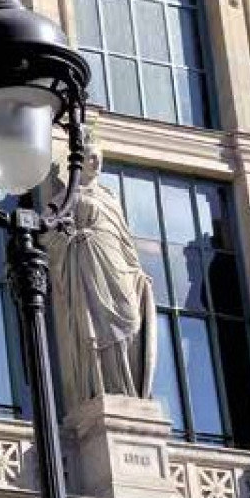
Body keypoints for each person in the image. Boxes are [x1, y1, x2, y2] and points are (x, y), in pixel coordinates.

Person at [47, 141, 157, 403]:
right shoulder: (64, 199)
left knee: (131, 319)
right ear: (78, 161)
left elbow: (125, 241)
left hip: (116, 266)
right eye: (90, 157)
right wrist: (74, 239)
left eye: (98, 158)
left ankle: (126, 390)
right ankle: (104, 388)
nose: (95, 162)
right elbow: (46, 233)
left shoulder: (110, 197)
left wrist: (136, 272)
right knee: (96, 327)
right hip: (88, 265)